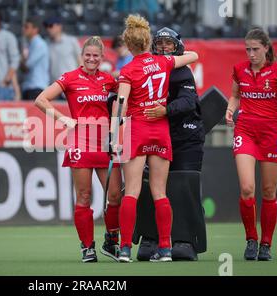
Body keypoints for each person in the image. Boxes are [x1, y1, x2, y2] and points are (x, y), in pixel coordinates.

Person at [111, 14, 198, 263]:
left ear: (128, 45)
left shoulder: (128, 70)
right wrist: (172, 59)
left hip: (138, 130)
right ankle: (166, 249)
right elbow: (193, 56)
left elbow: (121, 104)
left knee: (132, 192)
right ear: (148, 41)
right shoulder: (164, 62)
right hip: (160, 131)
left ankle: (126, 248)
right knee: (160, 192)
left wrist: (114, 136)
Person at [35, 36, 123, 263]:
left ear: (102, 58)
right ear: (81, 57)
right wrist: (63, 118)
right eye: (88, 55)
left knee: (115, 194)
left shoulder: (108, 80)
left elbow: (125, 98)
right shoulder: (70, 78)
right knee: (84, 196)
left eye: (96, 55)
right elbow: (41, 100)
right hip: (80, 143)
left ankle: (111, 241)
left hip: (105, 143)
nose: (92, 59)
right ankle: (87, 247)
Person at [134, 27, 206, 261]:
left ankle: (185, 240)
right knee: (148, 185)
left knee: (183, 184)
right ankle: (150, 238)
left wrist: (165, 110)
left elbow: (187, 101)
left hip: (185, 137)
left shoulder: (182, 72)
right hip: (156, 135)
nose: (164, 48)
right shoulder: (146, 70)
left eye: (169, 44)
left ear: (178, 48)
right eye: (160, 43)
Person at [226, 28, 277, 261]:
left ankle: (266, 244)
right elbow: (235, 95)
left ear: (266, 48)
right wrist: (230, 109)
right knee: (247, 188)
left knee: (268, 191)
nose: (251, 54)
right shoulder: (239, 69)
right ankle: (251, 239)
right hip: (245, 130)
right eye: (248, 49)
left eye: (256, 49)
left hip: (270, 134)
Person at [44, 16, 82, 85]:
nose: (48, 29)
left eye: (51, 26)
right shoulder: (46, 44)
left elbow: (80, 61)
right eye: (46, 26)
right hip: (55, 85)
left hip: (71, 84)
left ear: (59, 26)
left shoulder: (71, 41)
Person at [20, 16, 49, 101]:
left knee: (36, 114)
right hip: (30, 86)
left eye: (27, 27)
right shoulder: (30, 43)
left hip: (37, 87)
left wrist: (22, 61)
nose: (23, 29)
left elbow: (26, 67)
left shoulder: (39, 44)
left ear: (35, 29)